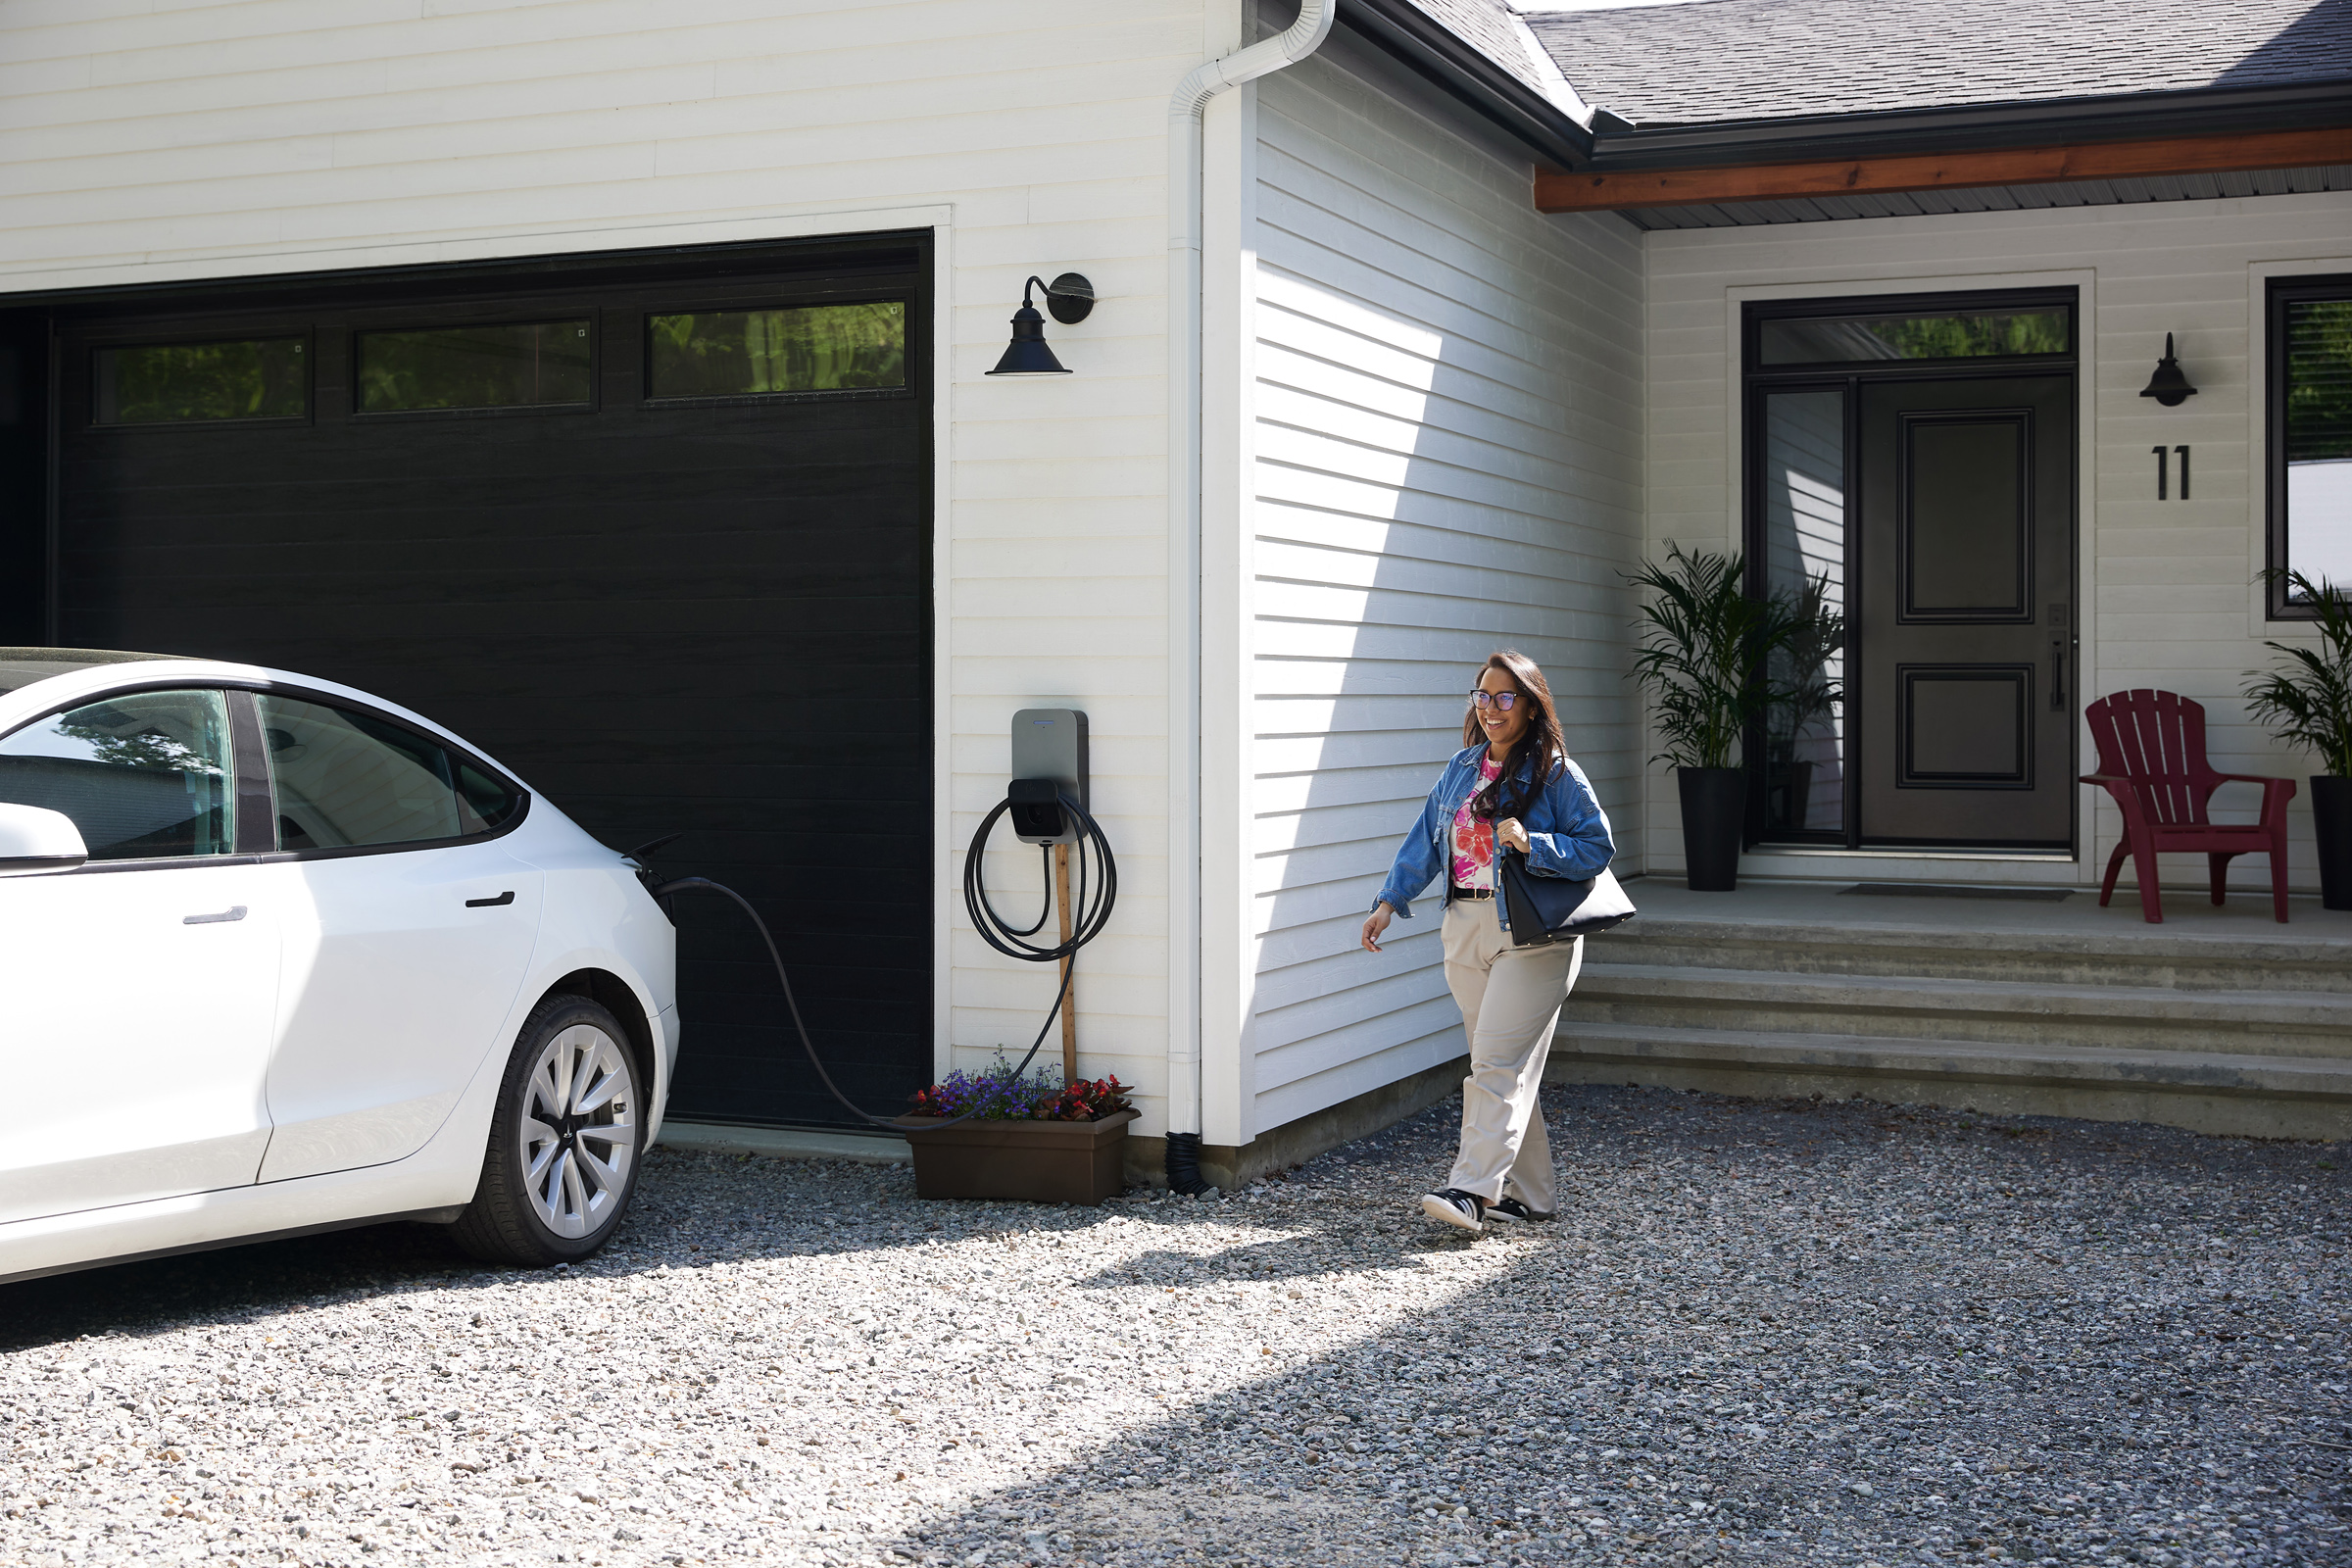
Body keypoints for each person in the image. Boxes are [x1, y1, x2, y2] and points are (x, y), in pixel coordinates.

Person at [1360, 651, 1615, 1233]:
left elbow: (1597, 848)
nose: (1491, 708)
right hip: (1464, 925)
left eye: (1505, 697)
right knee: (1500, 1066)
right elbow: (1425, 840)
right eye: (1483, 695)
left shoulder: (1557, 773)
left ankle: (1471, 1191)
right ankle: (1533, 1196)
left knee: (1496, 1065)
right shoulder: (1462, 767)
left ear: (1531, 706)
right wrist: (1389, 902)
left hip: (1531, 934)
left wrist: (1532, 843)